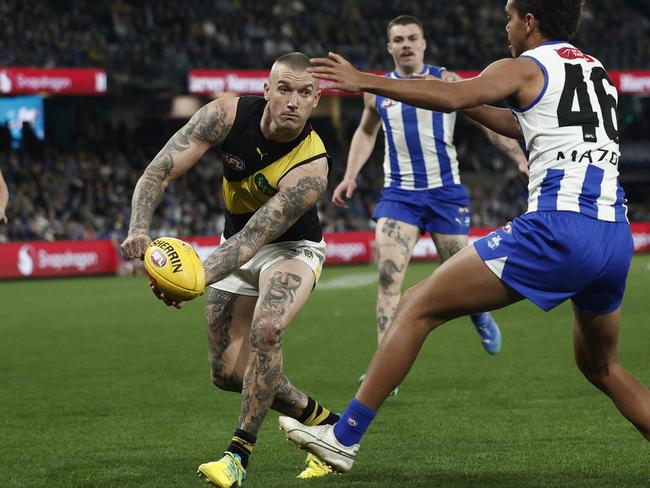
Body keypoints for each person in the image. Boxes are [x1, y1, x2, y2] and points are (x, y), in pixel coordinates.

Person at [280, 0, 650, 473]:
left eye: (509, 18)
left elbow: (456, 98)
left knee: (415, 305)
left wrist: (368, 81)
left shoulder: (522, 66)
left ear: (530, 22)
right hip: (614, 237)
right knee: (602, 367)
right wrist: (475, 103)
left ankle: (343, 437)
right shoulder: (596, 72)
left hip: (559, 229)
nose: (507, 27)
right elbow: (523, 124)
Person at [121, 52, 340, 487]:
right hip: (233, 243)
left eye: (304, 93)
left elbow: (253, 240)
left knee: (268, 329)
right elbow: (158, 171)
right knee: (227, 374)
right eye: (284, 89)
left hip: (290, 249)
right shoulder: (225, 114)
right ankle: (327, 424)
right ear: (266, 90)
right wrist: (139, 231)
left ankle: (237, 457)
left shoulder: (312, 168)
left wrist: (193, 278)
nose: (293, 101)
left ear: (316, 100)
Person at [331, 15, 529, 371]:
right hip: (399, 196)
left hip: (445, 194)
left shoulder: (448, 82)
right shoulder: (377, 91)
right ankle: (383, 370)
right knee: (389, 280)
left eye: (412, 38)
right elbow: (365, 132)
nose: (406, 44)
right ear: (389, 47)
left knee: (461, 277)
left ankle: (480, 316)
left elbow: (486, 123)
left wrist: (518, 158)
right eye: (399, 39)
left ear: (424, 44)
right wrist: (350, 175)